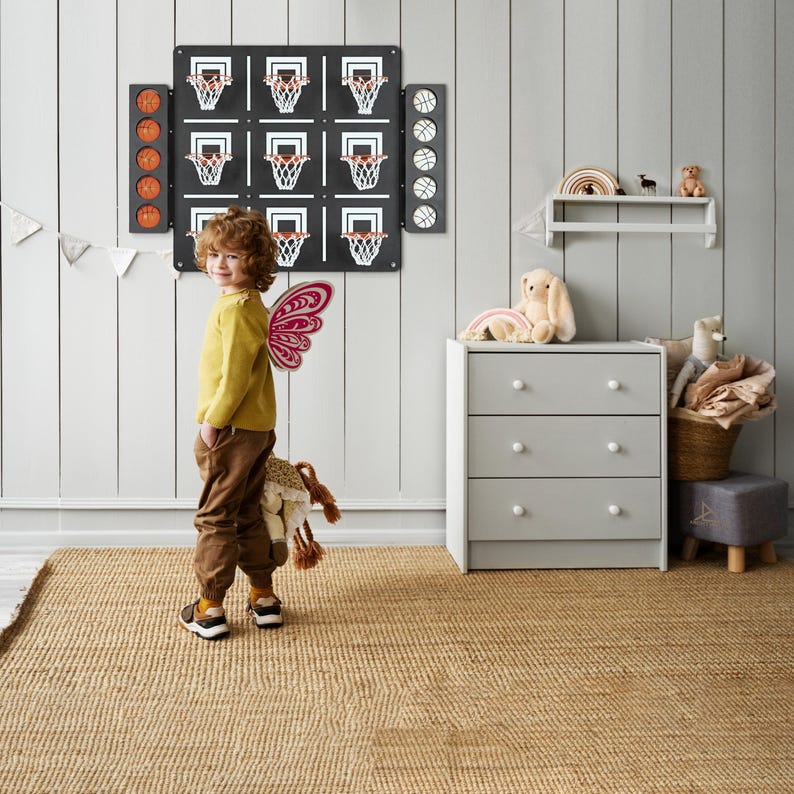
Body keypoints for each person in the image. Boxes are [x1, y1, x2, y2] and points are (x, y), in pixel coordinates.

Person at [178, 205, 283, 640]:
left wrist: (213, 421)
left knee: (215, 517)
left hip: (232, 428)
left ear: (253, 262)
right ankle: (264, 597)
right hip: (256, 428)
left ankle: (209, 608)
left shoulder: (235, 310)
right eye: (215, 254)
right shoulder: (250, 304)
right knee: (246, 513)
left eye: (234, 256)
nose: (221, 264)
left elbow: (235, 375)